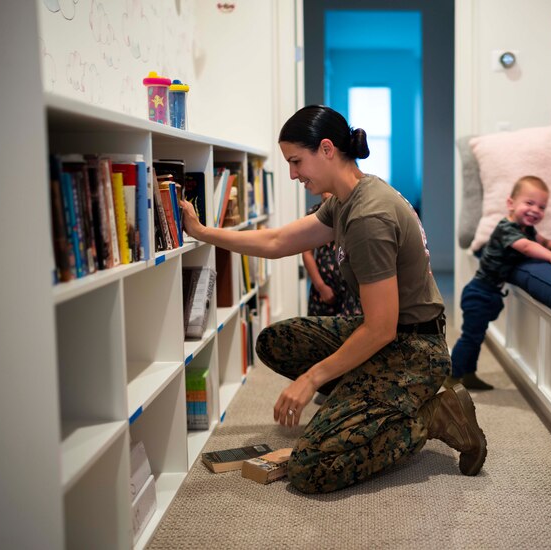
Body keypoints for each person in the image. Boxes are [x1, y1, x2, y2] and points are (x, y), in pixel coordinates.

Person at [179, 105, 487, 494]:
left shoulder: (367, 217)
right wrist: (203, 232)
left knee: (311, 467)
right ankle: (360, 402)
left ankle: (433, 415)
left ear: (326, 149)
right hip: (389, 335)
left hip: (414, 349)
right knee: (276, 341)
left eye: (296, 161)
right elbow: (278, 242)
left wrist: (312, 378)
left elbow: (380, 329)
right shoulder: (345, 199)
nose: (292, 174)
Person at [447, 176, 551, 391]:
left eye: (541, 207)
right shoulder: (506, 228)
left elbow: (541, 241)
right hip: (479, 292)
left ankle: (468, 374)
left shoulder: (528, 229)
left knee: (477, 337)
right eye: (529, 203)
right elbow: (526, 247)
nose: (535, 210)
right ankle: (453, 376)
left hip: (491, 293)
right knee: (470, 337)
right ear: (511, 204)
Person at [301, 192, 363, 318]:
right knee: (320, 331)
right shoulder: (313, 214)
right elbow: (307, 253)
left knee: (349, 329)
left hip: (351, 289)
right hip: (323, 286)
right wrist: (320, 287)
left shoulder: (353, 213)